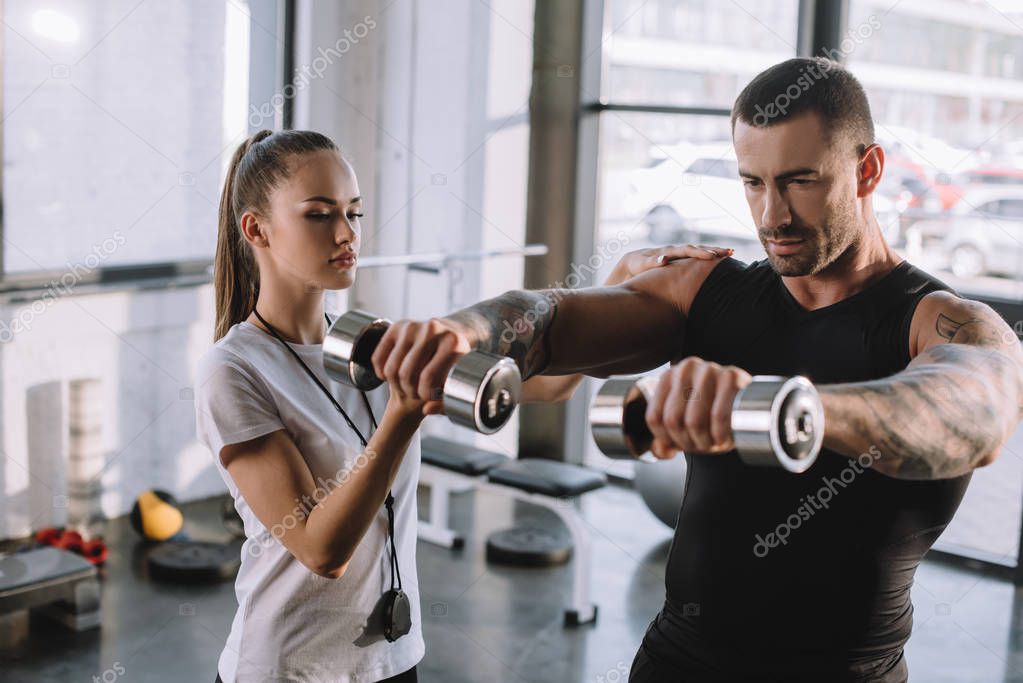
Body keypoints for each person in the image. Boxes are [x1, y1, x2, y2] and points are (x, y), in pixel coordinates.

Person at [365, 57, 1023, 683]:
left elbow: (974, 412)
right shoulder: (707, 290)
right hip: (678, 662)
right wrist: (465, 330)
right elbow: (551, 319)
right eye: (752, 182)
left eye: (800, 180)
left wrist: (788, 407)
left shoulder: (935, 319)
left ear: (868, 168)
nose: (773, 216)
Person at [193, 127, 728, 682]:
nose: (345, 232)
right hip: (288, 669)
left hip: (393, 660)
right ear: (256, 229)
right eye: (319, 214)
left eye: (354, 213)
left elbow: (548, 383)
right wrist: (403, 413)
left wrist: (619, 288)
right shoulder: (233, 371)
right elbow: (322, 549)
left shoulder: (371, 341)